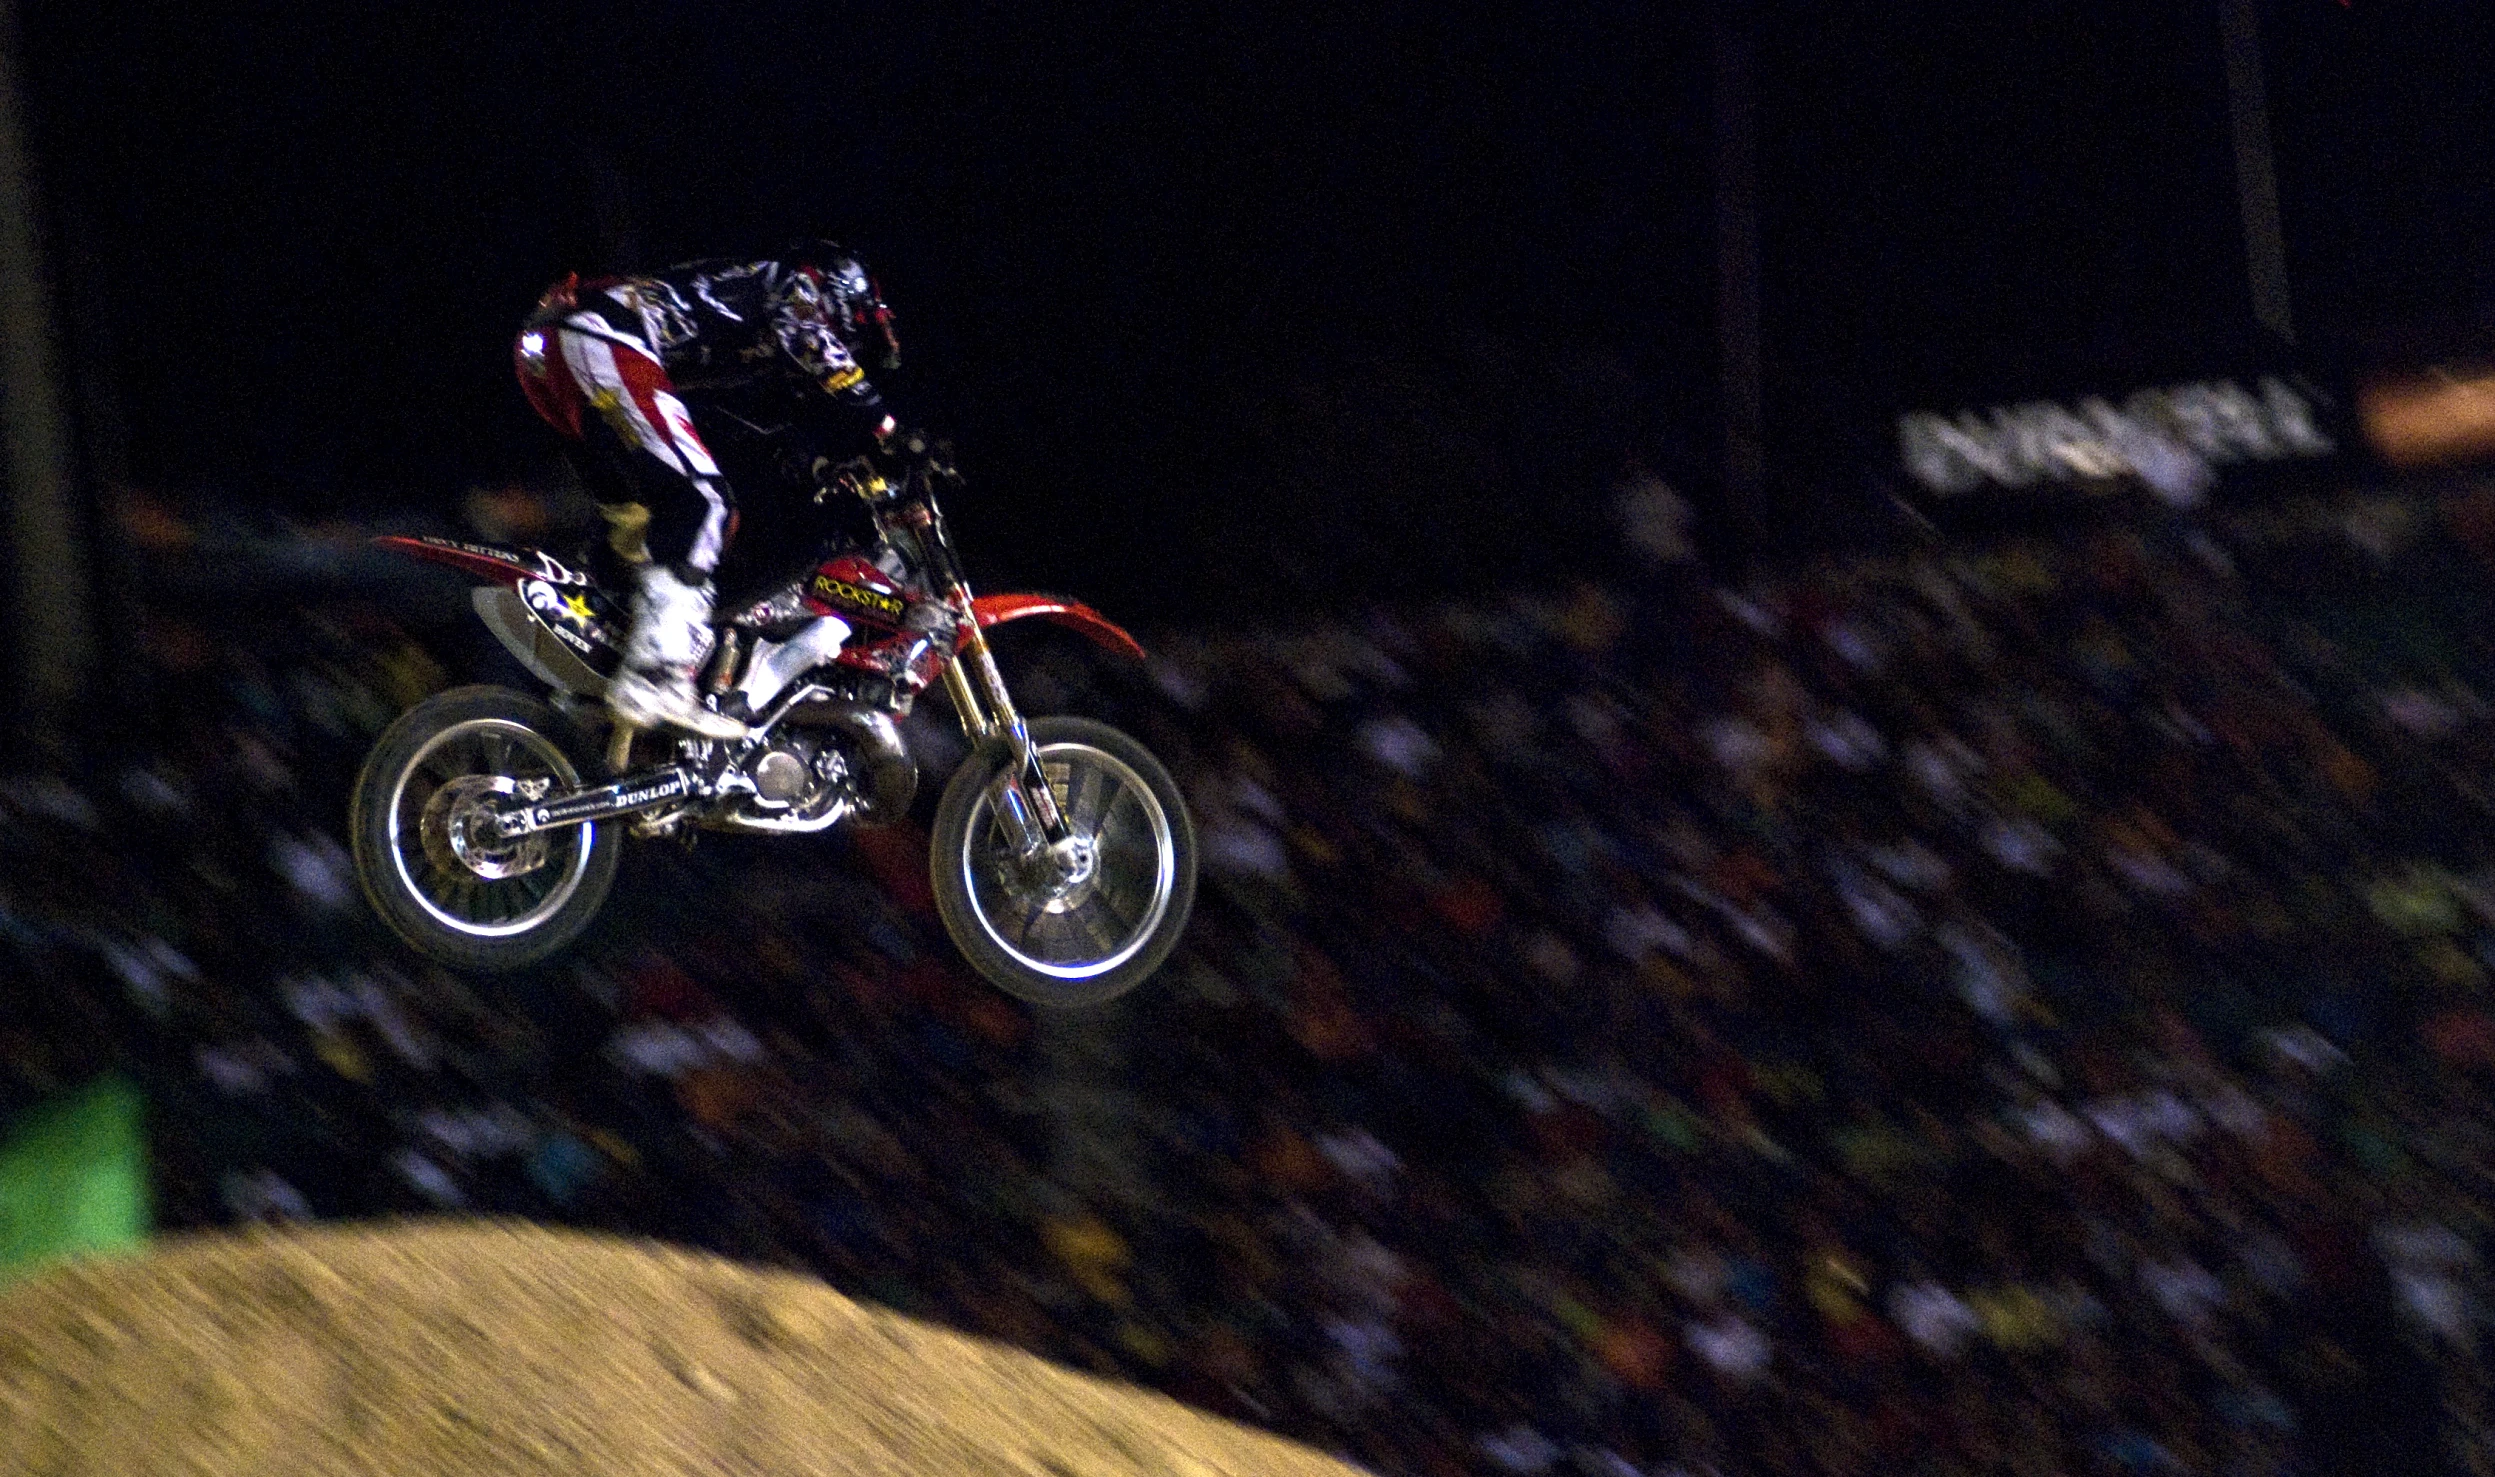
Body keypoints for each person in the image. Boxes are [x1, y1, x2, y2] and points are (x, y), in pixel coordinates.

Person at [512, 244, 912, 740]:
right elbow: (817, 348)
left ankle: (600, 662)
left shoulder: (742, 306)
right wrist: (892, 434)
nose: (849, 347)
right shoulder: (792, 284)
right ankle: (654, 675)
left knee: (642, 524)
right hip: (601, 334)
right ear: (844, 294)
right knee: (702, 502)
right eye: (853, 333)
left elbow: (746, 420)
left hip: (550, 350)